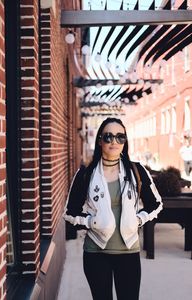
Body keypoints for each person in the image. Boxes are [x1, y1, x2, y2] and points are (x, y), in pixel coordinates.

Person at [63, 117, 163, 300]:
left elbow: (156, 204)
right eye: (108, 137)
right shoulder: (86, 173)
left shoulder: (136, 171)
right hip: (95, 253)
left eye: (120, 137)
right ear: (100, 140)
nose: (114, 142)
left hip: (128, 252)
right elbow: (69, 212)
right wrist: (90, 221)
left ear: (125, 141)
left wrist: (139, 219)